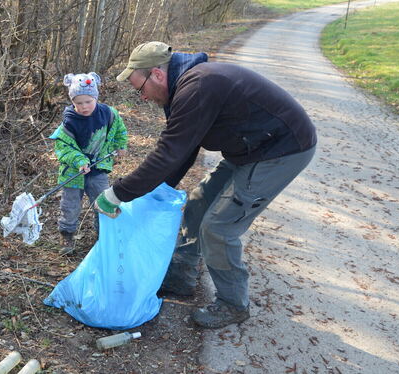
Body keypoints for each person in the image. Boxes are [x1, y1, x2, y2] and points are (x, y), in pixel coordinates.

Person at [94, 42, 317, 329]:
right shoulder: (181, 90)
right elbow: (183, 151)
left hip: (282, 150)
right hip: (251, 148)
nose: (143, 97)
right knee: (200, 202)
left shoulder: (197, 87)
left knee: (219, 227)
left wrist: (117, 193)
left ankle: (233, 304)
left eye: (141, 89)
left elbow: (168, 154)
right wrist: (154, 193)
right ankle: (182, 274)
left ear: (157, 75)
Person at [50, 72, 128, 255]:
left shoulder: (108, 114)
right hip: (73, 173)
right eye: (79, 103)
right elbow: (63, 147)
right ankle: (67, 234)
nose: (84, 107)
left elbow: (119, 131)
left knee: (103, 201)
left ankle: (104, 234)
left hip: (98, 170)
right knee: (69, 206)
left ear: (95, 97)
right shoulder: (69, 122)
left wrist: (121, 145)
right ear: (72, 102)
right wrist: (79, 161)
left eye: (88, 101)